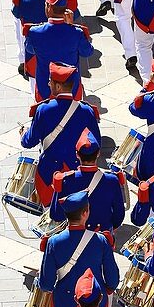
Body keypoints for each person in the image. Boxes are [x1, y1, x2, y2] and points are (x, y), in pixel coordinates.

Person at [19, 62, 101, 204]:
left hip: (48, 176)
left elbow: (29, 142)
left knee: (50, 217)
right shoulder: (87, 111)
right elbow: (96, 143)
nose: (48, 84)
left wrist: (23, 134)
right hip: (77, 176)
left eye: (51, 81)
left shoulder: (44, 110)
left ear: (58, 86)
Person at [38, 190, 119, 307]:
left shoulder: (53, 242)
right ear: (85, 213)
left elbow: (46, 284)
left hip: (64, 302)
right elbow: (113, 280)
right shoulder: (101, 240)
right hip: (95, 301)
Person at [23, 0, 93, 102]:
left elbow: (29, 49)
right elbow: (88, 51)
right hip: (71, 90)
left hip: (45, 89)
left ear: (49, 7)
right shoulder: (76, 33)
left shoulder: (35, 32)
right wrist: (72, 27)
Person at [50, 129, 126, 235]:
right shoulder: (112, 180)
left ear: (77, 154)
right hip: (102, 238)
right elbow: (119, 215)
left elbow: (56, 214)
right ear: (98, 153)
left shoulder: (66, 180)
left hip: (74, 239)